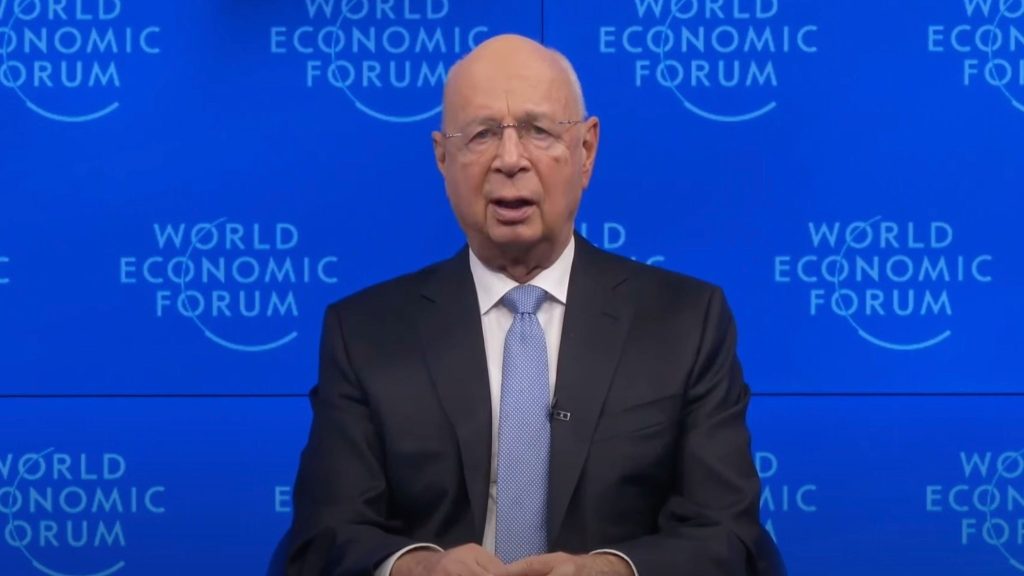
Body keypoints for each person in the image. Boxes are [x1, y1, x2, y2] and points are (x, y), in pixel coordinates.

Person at [286, 34, 785, 576]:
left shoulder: (686, 322)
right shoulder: (364, 334)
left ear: (586, 150)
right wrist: (417, 568)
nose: (509, 160)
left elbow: (730, 538)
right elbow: (321, 540)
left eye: (537, 131)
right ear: (442, 157)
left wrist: (613, 571)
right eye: (479, 135)